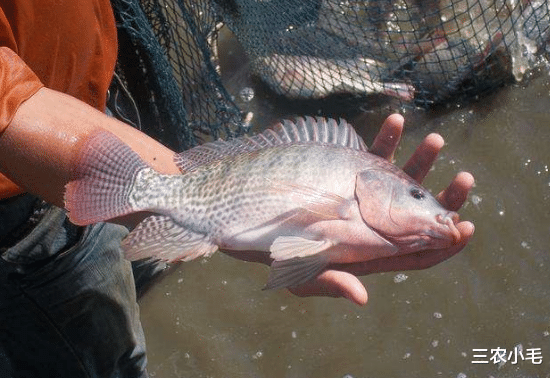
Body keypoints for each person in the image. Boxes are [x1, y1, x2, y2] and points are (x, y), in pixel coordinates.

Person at [0, 1, 474, 377]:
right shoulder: (348, 183)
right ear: (373, 184)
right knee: (101, 359)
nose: (429, 204)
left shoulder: (357, 180)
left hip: (77, 99)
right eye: (415, 194)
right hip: (18, 200)